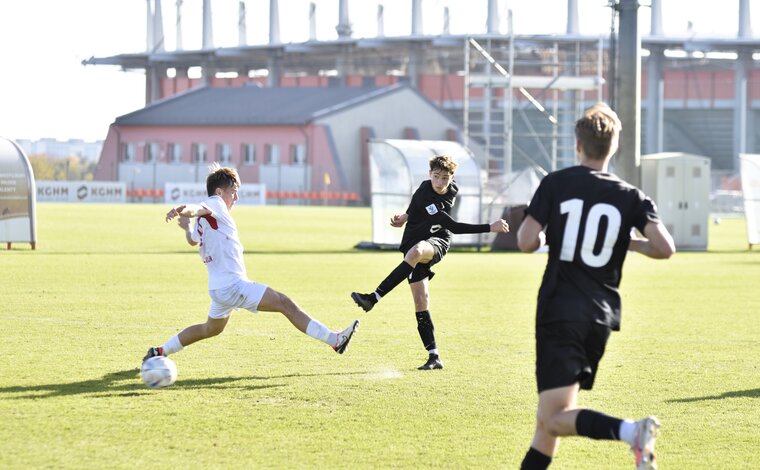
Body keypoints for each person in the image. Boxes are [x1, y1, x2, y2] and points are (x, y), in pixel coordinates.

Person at [516, 103, 675, 470]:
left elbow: (526, 241)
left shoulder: (556, 183)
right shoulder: (630, 195)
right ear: (614, 147)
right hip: (600, 317)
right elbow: (665, 248)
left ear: (577, 144)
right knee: (548, 424)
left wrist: (554, 233)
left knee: (554, 418)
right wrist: (625, 242)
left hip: (559, 312)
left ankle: (632, 432)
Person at [144, 163, 359, 364]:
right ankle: (335, 340)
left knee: (210, 328)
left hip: (218, 289)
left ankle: (160, 351)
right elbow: (195, 208)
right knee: (285, 303)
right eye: (233, 191)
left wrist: (186, 228)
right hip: (233, 285)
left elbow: (193, 240)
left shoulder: (207, 219)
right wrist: (182, 210)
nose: (236, 197)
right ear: (220, 192)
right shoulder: (214, 204)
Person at [350, 155, 509, 370]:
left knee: (417, 252)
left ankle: (373, 297)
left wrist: (490, 227)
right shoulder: (425, 190)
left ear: (452, 178)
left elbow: (453, 227)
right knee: (421, 300)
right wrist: (405, 217)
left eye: (445, 178)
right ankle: (434, 357)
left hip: (437, 242)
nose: (440, 182)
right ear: (429, 175)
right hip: (414, 239)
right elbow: (416, 203)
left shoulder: (448, 194)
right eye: (436, 176)